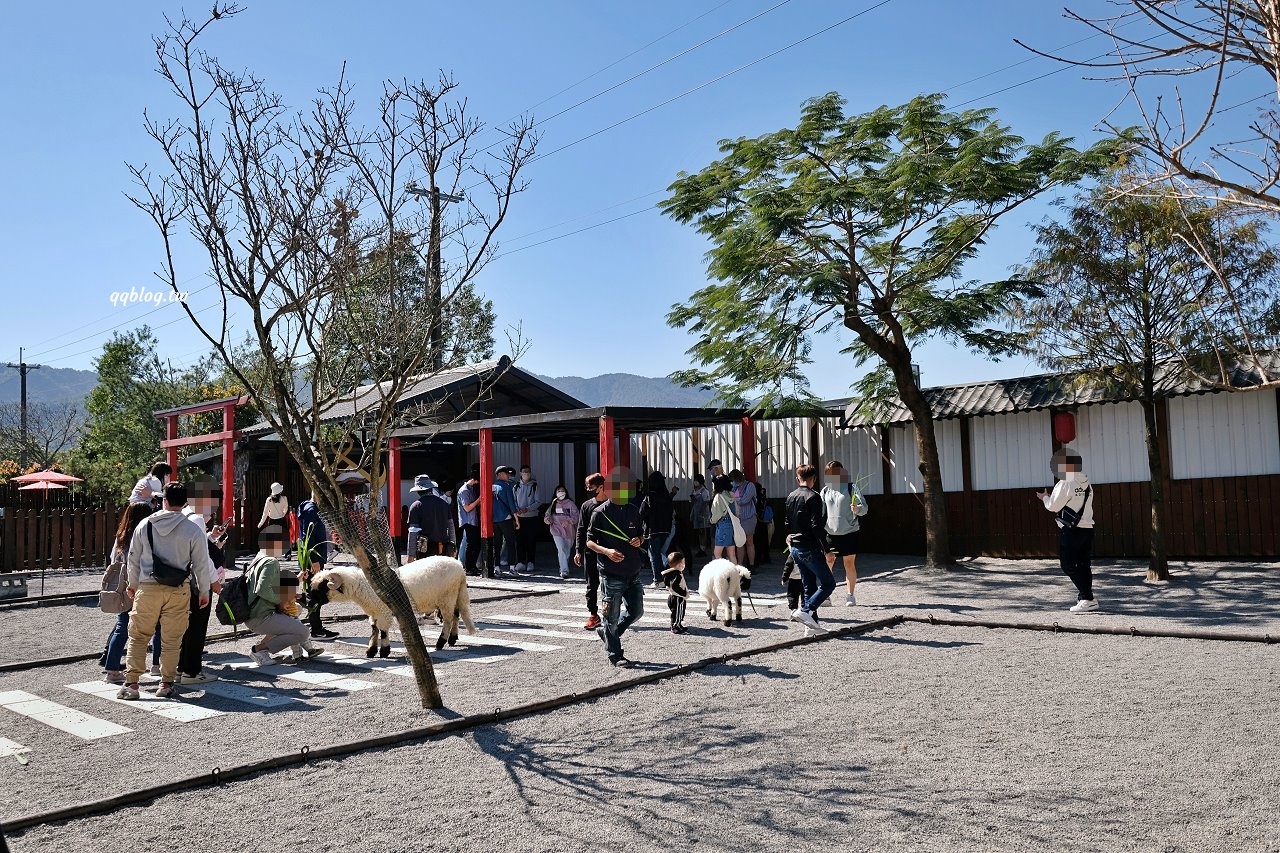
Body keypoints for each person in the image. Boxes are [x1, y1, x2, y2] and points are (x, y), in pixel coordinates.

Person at [118, 482, 215, 700]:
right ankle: (166, 683)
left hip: (147, 587)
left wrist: (132, 585)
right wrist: (204, 591)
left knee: (139, 636)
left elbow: (133, 558)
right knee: (172, 640)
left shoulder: (145, 525)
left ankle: (132, 685)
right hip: (178, 589)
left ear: (164, 500)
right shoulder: (192, 528)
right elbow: (200, 563)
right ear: (185, 503)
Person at [585, 467, 646, 668]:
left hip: (633, 571)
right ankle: (615, 654)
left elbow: (641, 534)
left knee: (636, 611)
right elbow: (589, 542)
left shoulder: (633, 510)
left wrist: (639, 539)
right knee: (610, 616)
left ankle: (607, 633)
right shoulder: (599, 513)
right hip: (611, 573)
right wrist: (607, 551)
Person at [243, 528, 324, 665]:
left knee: (294, 614)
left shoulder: (259, 558)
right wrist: (281, 602)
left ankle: (266, 648)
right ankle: (259, 649)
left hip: (253, 614)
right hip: (262, 616)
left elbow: (272, 585)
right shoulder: (270, 562)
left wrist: (296, 580)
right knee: (302, 632)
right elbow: (262, 590)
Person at [101, 503, 162, 684]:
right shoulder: (146, 533)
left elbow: (114, 560)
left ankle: (112, 669)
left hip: (125, 587)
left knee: (123, 627)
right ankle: (157, 665)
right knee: (158, 624)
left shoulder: (121, 536)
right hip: (145, 584)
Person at [176, 479, 229, 685]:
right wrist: (215, 582)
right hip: (198, 582)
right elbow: (202, 557)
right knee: (197, 627)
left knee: (184, 627)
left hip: (183, 580)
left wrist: (209, 535)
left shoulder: (182, 514)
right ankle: (192, 672)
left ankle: (180, 670)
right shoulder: (196, 519)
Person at [1038, 447, 1098, 613]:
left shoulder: (1065, 482)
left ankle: (1087, 597)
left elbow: (1053, 506)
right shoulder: (1086, 482)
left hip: (1072, 530)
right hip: (1087, 527)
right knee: (1084, 564)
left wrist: (1044, 498)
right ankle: (1086, 598)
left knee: (1067, 564)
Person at [785, 464, 834, 635]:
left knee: (809, 587)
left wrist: (790, 536)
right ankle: (806, 610)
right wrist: (827, 550)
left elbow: (787, 523)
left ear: (797, 479)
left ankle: (812, 627)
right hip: (810, 547)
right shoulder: (814, 497)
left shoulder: (791, 496)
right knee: (829, 583)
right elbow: (816, 527)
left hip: (796, 548)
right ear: (814, 479)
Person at [821, 461, 869, 607]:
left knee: (849, 563)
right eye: (829, 473)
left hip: (849, 532)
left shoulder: (851, 487)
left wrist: (857, 509)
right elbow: (821, 512)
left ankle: (850, 595)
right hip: (830, 533)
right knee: (829, 561)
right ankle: (825, 596)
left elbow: (864, 508)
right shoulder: (825, 490)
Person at [296, 492, 338, 639]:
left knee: (314, 592)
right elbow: (308, 537)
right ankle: (316, 630)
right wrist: (314, 561)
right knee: (315, 594)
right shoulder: (311, 510)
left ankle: (315, 627)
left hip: (313, 557)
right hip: (312, 559)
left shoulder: (310, 508)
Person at [574, 472, 607, 630]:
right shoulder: (586, 505)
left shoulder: (611, 504)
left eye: (591, 487)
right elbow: (581, 529)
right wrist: (578, 550)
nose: (588, 489)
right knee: (591, 583)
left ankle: (610, 613)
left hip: (608, 549)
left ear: (601, 487)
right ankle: (593, 614)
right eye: (586, 486)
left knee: (611, 582)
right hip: (590, 550)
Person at [406, 475, 454, 561]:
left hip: (424, 551)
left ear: (418, 491)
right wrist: (453, 546)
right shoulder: (444, 504)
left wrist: (411, 555)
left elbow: (413, 532)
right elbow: (451, 527)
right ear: (431, 488)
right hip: (443, 549)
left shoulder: (416, 506)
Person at [639, 470, 674, 587]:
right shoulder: (666, 496)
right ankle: (667, 574)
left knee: (654, 555)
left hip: (652, 530)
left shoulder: (649, 497)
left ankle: (658, 580)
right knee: (659, 553)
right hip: (666, 529)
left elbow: (641, 513)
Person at [543, 484, 579, 578]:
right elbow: (546, 517)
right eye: (558, 491)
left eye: (562, 491)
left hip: (569, 532)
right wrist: (548, 520)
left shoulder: (571, 504)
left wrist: (569, 521)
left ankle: (563, 566)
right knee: (561, 549)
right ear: (555, 493)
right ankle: (564, 570)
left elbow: (576, 517)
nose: (560, 493)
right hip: (556, 531)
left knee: (566, 551)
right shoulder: (553, 504)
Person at [490, 465, 520, 576]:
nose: (508, 475)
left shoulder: (491, 487)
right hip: (506, 519)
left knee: (496, 544)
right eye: (506, 473)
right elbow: (512, 505)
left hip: (494, 520)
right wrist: (517, 520)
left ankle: (496, 568)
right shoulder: (507, 487)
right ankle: (512, 568)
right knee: (510, 543)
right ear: (499, 475)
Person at [513, 464, 541, 574]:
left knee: (531, 540)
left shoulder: (535, 486)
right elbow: (513, 500)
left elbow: (538, 501)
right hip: (519, 517)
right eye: (524, 471)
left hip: (532, 517)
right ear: (520, 473)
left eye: (528, 472)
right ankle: (520, 561)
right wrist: (517, 509)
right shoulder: (516, 486)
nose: (526, 473)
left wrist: (527, 509)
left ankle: (530, 561)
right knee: (519, 540)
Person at [730, 469, 759, 568]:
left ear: (737, 478)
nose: (732, 482)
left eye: (733, 480)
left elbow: (744, 500)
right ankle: (740, 564)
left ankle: (751, 564)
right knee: (739, 542)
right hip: (738, 519)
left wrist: (734, 499)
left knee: (749, 541)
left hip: (749, 517)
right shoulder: (734, 487)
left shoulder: (749, 485)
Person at [456, 467, 482, 576]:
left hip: (473, 520)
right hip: (468, 520)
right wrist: (479, 499)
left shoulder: (471, 488)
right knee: (471, 545)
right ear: (474, 479)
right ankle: (469, 567)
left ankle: (472, 566)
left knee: (476, 544)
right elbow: (467, 508)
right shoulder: (464, 490)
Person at [709, 475, 738, 563]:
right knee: (731, 553)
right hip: (731, 524)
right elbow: (737, 511)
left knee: (717, 553)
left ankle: (723, 574)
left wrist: (711, 521)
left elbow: (716, 515)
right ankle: (735, 575)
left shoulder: (718, 497)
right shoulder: (731, 495)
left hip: (722, 524)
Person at [662, 551, 689, 634]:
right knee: (677, 612)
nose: (684, 564)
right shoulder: (676, 574)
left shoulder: (670, 572)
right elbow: (675, 587)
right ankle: (675, 626)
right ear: (678, 564)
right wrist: (684, 593)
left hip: (673, 596)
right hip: (677, 597)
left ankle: (678, 624)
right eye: (683, 562)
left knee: (678, 612)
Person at [689, 473, 711, 557]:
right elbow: (693, 503)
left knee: (703, 531)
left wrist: (701, 513)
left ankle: (703, 549)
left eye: (696, 480)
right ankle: (701, 548)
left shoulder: (704, 491)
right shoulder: (694, 491)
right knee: (699, 531)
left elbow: (706, 502)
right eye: (695, 480)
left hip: (703, 513)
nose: (695, 482)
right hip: (696, 512)